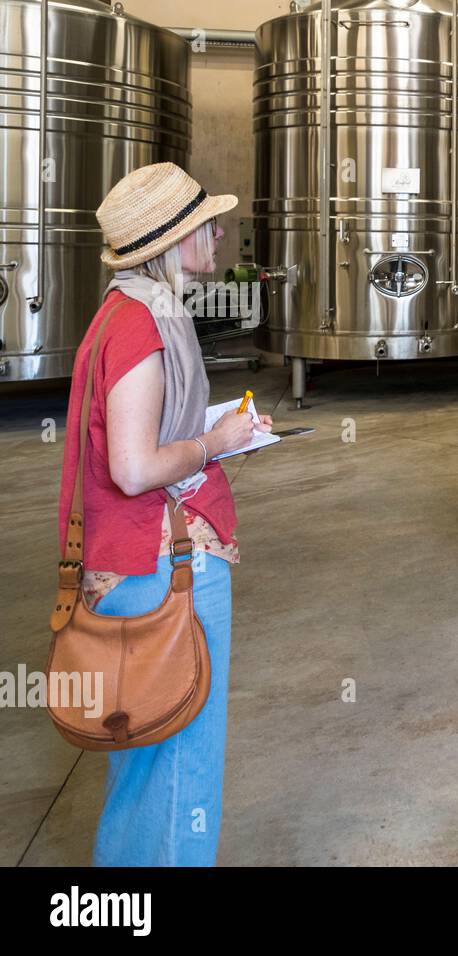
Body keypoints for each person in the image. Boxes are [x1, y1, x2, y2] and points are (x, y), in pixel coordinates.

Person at [56, 162, 271, 865]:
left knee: (144, 763)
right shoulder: (143, 326)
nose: (218, 233)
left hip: (128, 561)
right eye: (207, 224)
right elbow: (134, 467)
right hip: (161, 562)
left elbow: (135, 435)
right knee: (181, 765)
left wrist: (218, 431)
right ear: (176, 241)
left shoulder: (126, 311)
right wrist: (215, 442)